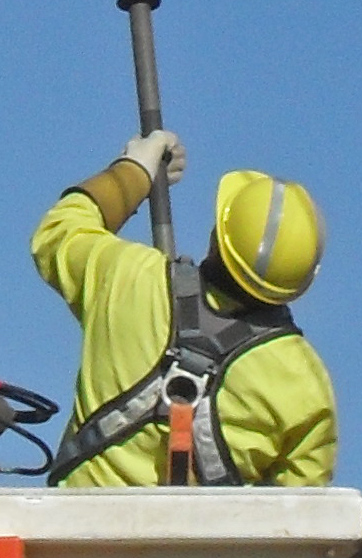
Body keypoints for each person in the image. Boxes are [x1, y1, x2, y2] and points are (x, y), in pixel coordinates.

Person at [32, 128, 337, 487]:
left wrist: (134, 169)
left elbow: (58, 232)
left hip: (78, 536)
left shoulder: (130, 279)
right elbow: (300, 521)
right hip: (200, 545)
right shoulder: (305, 386)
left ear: (217, 236)